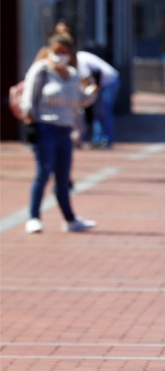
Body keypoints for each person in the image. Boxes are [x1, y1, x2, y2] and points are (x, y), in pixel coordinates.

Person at [19, 33, 98, 234]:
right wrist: (29, 121)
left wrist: (92, 91)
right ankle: (34, 217)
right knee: (44, 172)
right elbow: (29, 97)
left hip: (65, 130)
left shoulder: (72, 74)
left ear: (70, 54)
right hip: (45, 128)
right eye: (56, 52)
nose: (60, 56)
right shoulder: (41, 70)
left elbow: (80, 100)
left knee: (63, 177)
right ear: (49, 50)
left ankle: (70, 219)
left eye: (64, 52)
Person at [76, 50, 120, 148]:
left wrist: (86, 96)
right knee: (98, 111)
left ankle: (107, 140)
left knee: (104, 111)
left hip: (109, 82)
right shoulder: (80, 57)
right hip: (101, 84)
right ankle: (98, 139)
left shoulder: (80, 60)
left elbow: (87, 80)